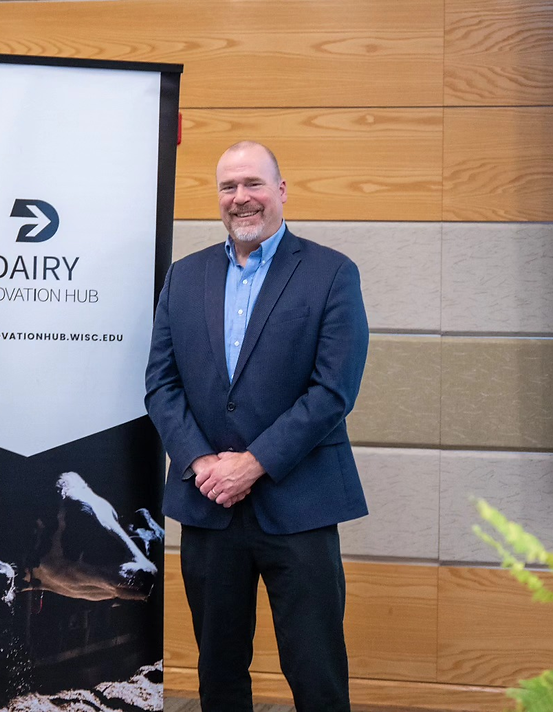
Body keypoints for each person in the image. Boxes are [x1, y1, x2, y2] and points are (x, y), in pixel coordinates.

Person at [144, 142, 369, 711]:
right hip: (209, 507)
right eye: (227, 187)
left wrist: (253, 463)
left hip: (300, 504)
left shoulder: (331, 273)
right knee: (218, 672)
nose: (240, 198)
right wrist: (201, 463)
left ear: (282, 190)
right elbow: (161, 385)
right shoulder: (184, 276)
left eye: (253, 183)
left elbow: (332, 391)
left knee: (315, 669)